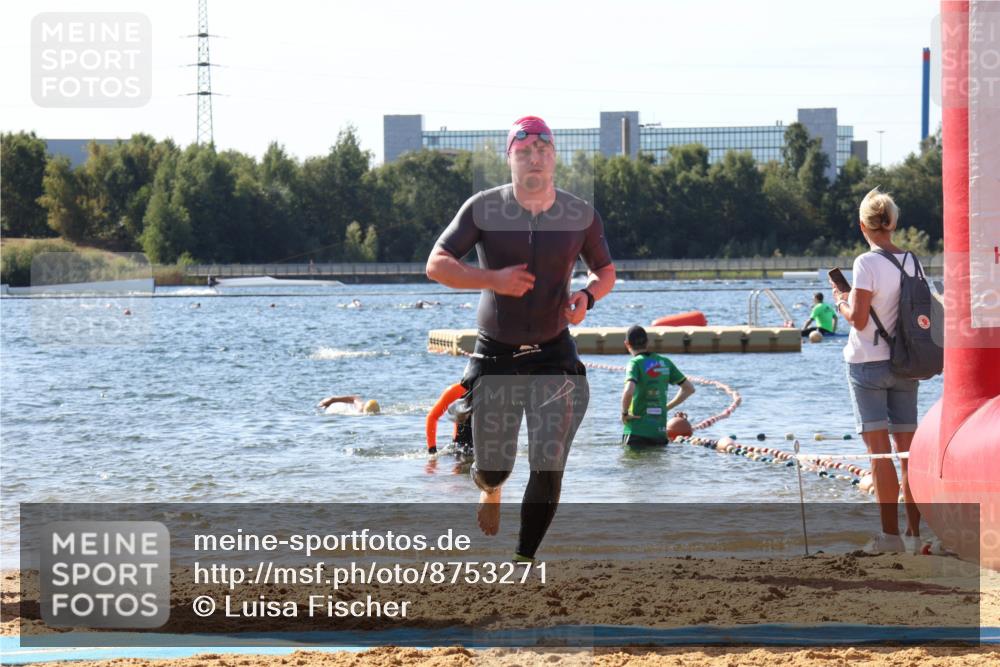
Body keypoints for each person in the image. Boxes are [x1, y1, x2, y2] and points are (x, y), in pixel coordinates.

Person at [425, 115, 616, 562]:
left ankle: (523, 560)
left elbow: (606, 271)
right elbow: (437, 263)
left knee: (549, 465)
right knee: (494, 468)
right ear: (510, 158)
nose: (535, 158)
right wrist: (492, 278)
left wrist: (587, 296)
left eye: (544, 151)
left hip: (554, 351)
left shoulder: (579, 215)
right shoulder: (483, 208)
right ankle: (489, 489)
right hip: (496, 354)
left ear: (554, 159)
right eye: (525, 151)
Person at [831, 187, 922, 554]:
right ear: (894, 222)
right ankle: (916, 535)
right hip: (907, 363)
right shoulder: (913, 261)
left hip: (868, 365)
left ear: (862, 225)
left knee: (880, 453)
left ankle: (889, 538)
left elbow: (859, 319)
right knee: (908, 453)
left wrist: (840, 299)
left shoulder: (865, 263)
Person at [621, 325, 696, 447]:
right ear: (647, 342)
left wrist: (624, 413)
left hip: (636, 431)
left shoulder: (635, 363)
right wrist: (666, 407)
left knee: (632, 464)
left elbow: (629, 390)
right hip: (659, 432)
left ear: (627, 344)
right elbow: (689, 389)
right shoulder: (665, 362)